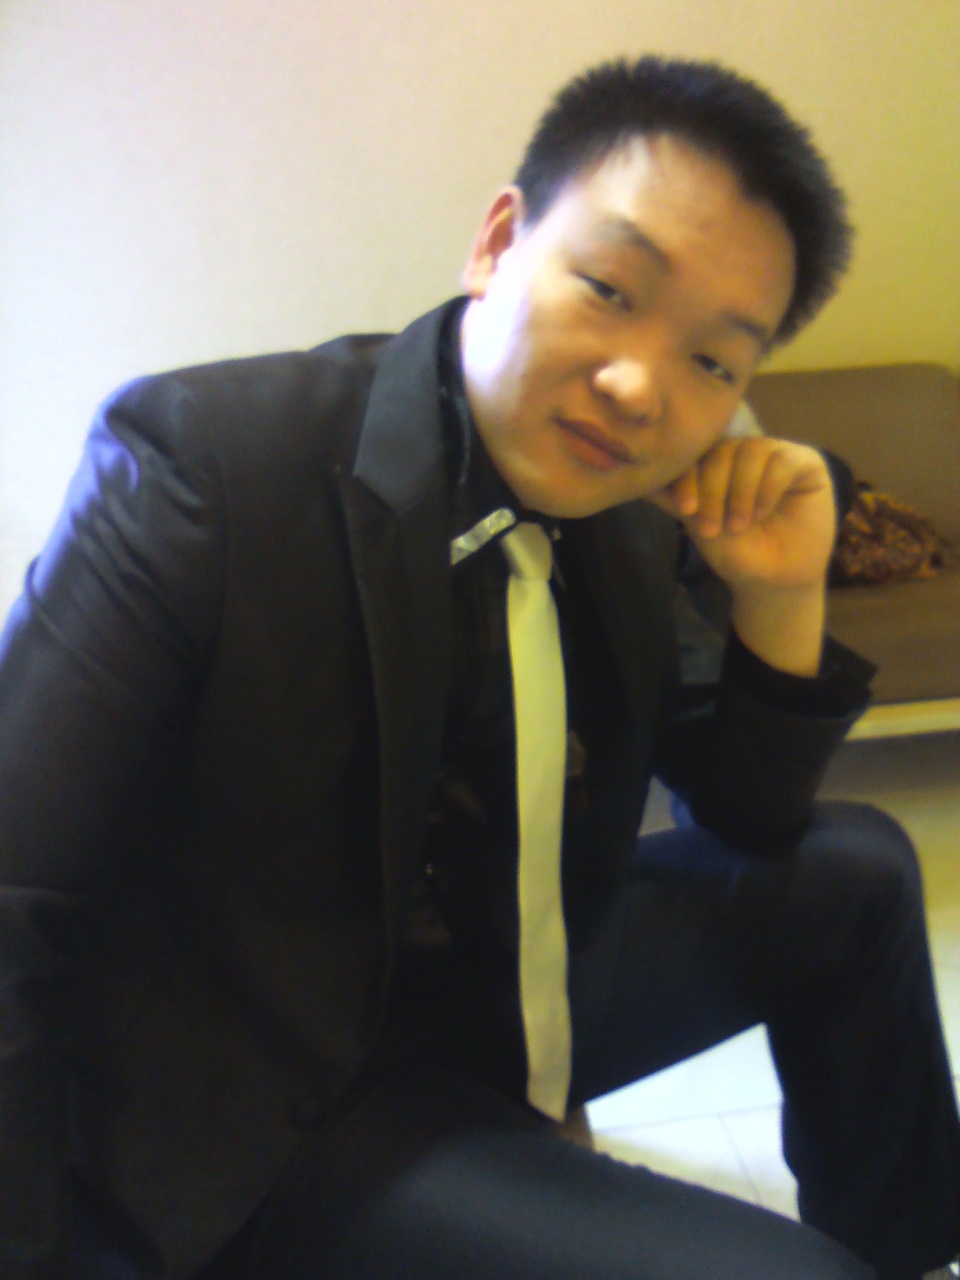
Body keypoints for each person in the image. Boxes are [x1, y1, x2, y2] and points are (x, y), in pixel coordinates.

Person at [0, 55, 957, 1280]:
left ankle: (907, 1248)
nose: (639, 386)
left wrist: (781, 593)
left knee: (857, 868)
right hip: (278, 1080)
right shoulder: (207, 468)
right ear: (500, 243)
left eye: (715, 362)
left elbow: (749, 815)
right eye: (610, 289)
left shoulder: (626, 508)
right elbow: (16, 894)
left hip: (504, 983)